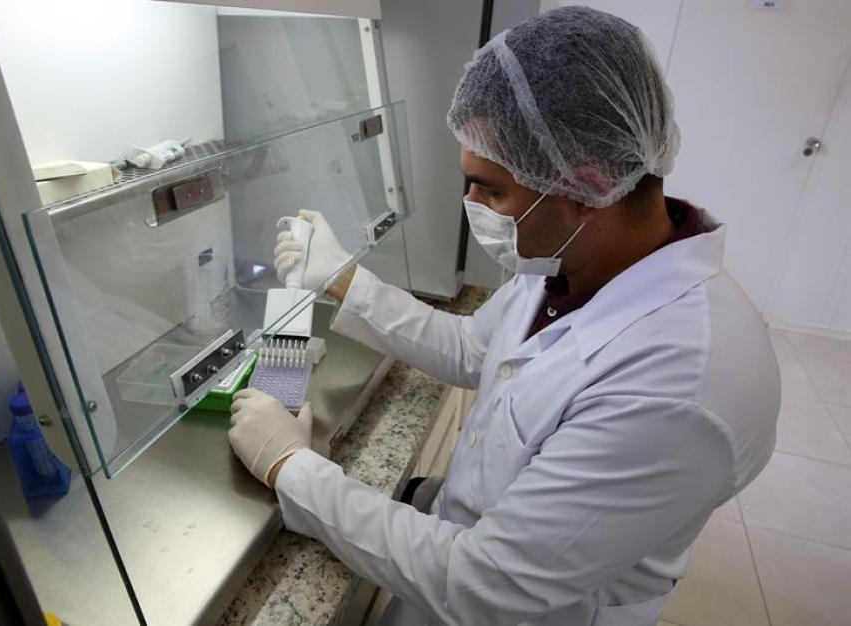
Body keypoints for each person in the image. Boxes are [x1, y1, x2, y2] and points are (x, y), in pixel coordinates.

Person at [227, 6, 780, 626]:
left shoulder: (674, 389)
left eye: (490, 188)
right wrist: (346, 280)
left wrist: (291, 468)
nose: (471, 203)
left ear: (583, 188)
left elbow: (487, 584)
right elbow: (474, 347)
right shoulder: (570, 260)